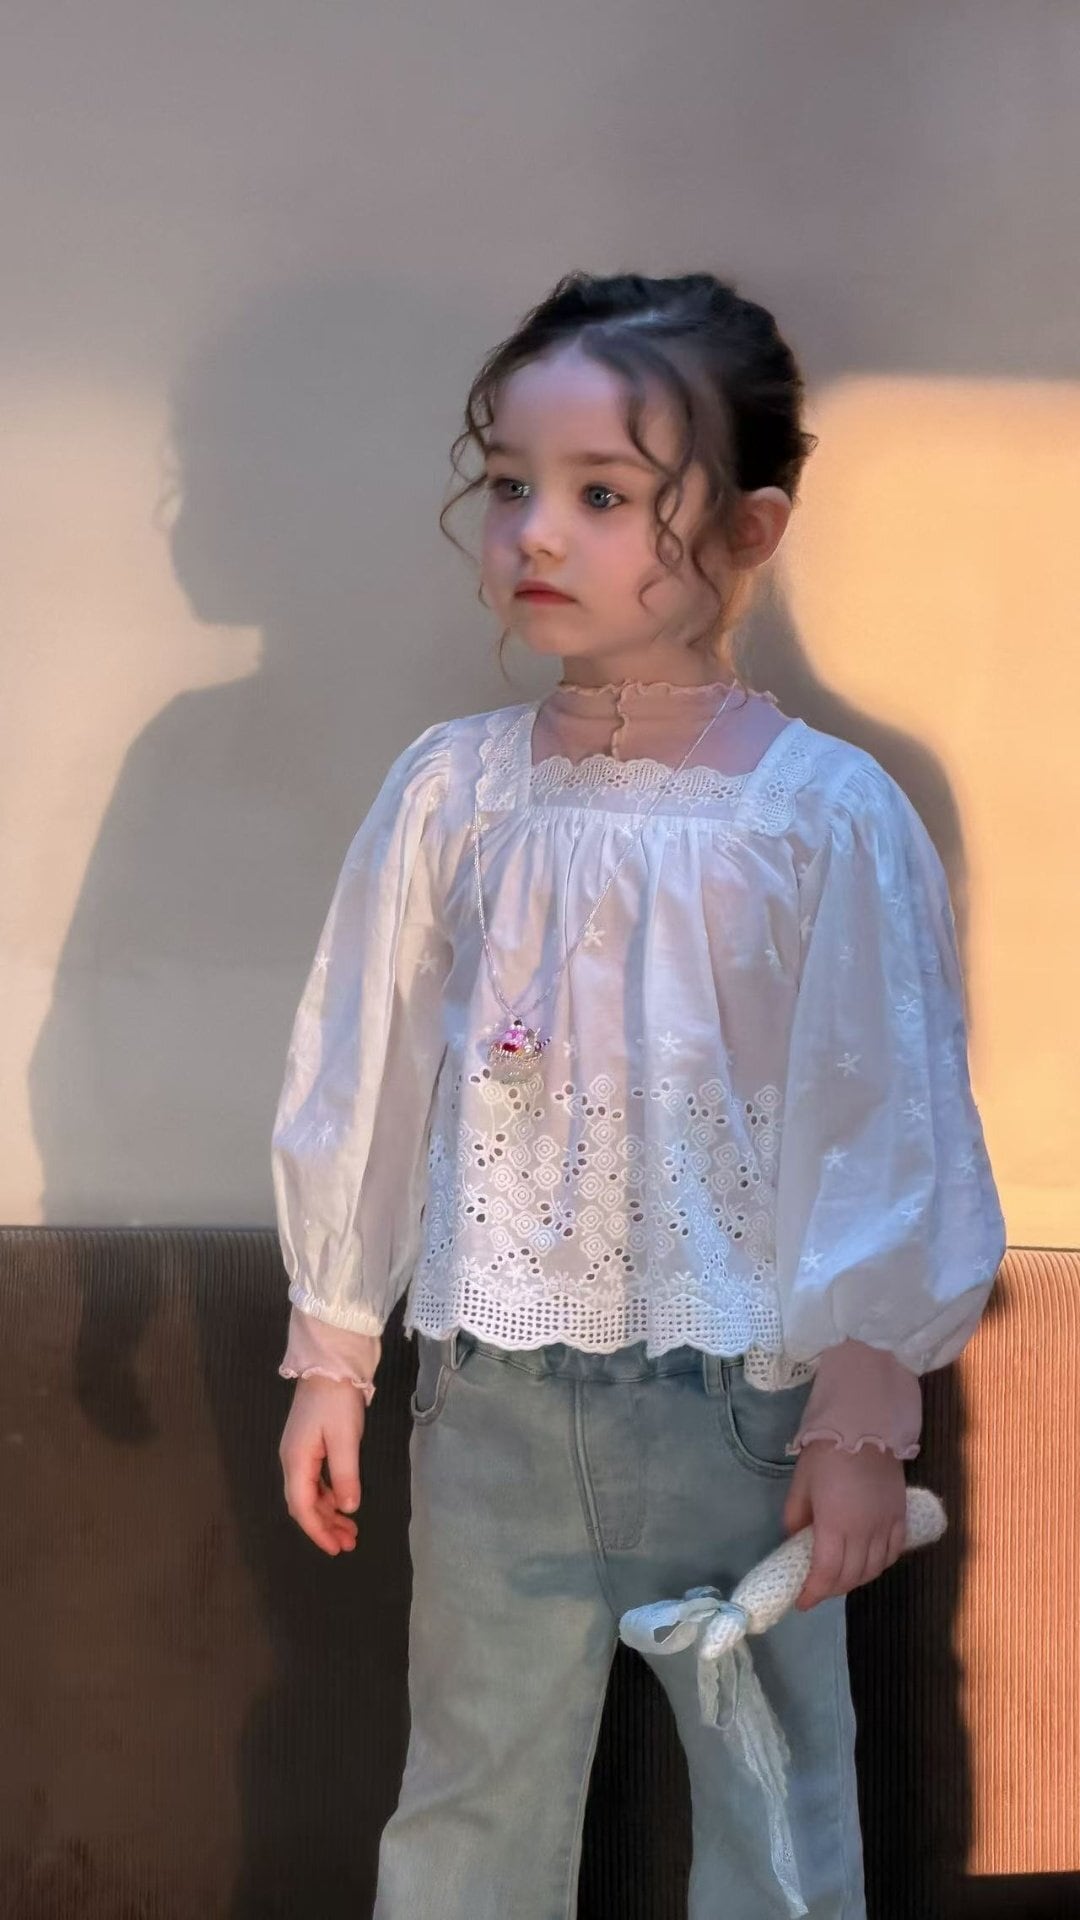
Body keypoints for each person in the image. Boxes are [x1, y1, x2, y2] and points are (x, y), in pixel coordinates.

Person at [271, 271, 1006, 1919]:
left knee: (776, 1802)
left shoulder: (822, 815)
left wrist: (863, 1415)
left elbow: (885, 1118)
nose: (536, 531)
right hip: (489, 1399)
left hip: (750, 1408)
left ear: (747, 530)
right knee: (469, 1799)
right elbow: (362, 1066)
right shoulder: (453, 794)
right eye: (510, 483)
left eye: (604, 495)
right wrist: (334, 1349)